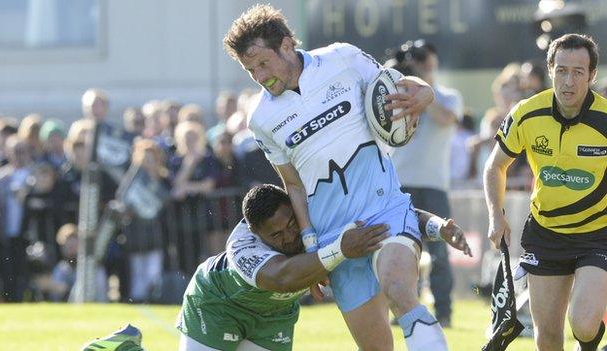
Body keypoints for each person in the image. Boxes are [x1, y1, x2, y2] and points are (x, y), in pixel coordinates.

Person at [224, 5, 456, 350]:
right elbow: (295, 186)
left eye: (263, 63)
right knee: (376, 346)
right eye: (250, 70)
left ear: (287, 46)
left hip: (385, 210)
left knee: (399, 290)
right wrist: (315, 251)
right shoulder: (260, 118)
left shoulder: (342, 59)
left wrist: (425, 91)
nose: (259, 76)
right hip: (337, 239)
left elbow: (397, 84)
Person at [177, 184, 470, 351]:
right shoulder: (242, 246)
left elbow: (386, 218)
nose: (290, 236)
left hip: (274, 316)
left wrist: (438, 227)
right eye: (276, 236)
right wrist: (339, 250)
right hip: (218, 305)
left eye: (292, 224)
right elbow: (283, 277)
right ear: (257, 234)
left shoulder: (312, 213)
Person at [484, 33, 607, 351]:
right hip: (546, 234)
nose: (569, 81)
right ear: (550, 69)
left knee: (583, 320)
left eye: (578, 72)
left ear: (592, 75)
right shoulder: (526, 113)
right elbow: (494, 167)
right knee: (548, 337)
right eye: (562, 70)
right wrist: (496, 217)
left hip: (598, 235)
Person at [389, 39, 464, 327]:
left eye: (426, 61)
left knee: (440, 251)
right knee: (402, 250)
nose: (421, 66)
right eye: (417, 62)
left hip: (434, 184)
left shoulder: (447, 96)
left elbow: (446, 119)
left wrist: (424, 92)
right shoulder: (398, 92)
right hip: (401, 182)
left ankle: (443, 311)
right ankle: (405, 309)